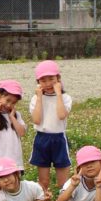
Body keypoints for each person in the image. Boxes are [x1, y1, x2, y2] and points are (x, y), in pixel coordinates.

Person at [29, 60, 73, 191]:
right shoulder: (35, 98)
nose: (48, 84)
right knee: (43, 181)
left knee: (63, 183)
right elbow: (36, 120)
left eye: (51, 79)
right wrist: (39, 98)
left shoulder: (65, 98)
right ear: (38, 82)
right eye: (43, 80)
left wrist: (58, 93)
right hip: (42, 138)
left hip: (59, 138)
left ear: (58, 79)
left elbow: (61, 115)